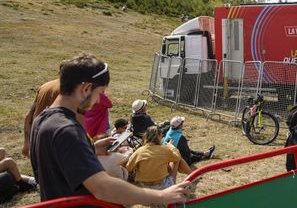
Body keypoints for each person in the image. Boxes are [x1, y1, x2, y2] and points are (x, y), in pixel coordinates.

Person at [30, 53, 191, 205]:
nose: (99, 99)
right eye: (99, 93)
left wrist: (91, 149)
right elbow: (103, 188)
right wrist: (162, 195)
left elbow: (57, 162)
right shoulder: (68, 130)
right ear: (86, 89)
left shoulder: (42, 120)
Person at [22, 61, 65, 157]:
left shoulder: (45, 86)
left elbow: (29, 114)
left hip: (36, 132)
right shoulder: (65, 90)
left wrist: (27, 143)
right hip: (51, 137)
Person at [127, 125, 181, 190]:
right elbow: (177, 157)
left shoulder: (139, 151)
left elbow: (129, 167)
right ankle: (190, 175)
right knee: (175, 160)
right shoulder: (165, 149)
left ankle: (191, 174)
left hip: (143, 186)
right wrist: (171, 146)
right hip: (162, 186)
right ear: (159, 136)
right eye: (161, 135)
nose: (162, 137)